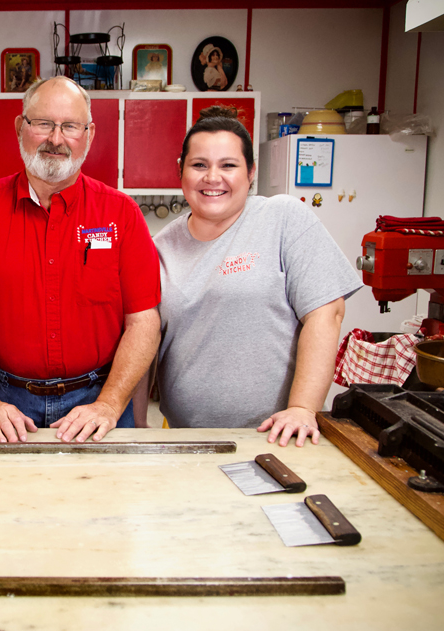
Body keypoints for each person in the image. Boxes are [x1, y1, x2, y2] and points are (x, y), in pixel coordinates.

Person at [0, 76, 161, 445]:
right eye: (43, 123)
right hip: (5, 406)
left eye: (70, 126)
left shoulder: (121, 214)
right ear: (20, 127)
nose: (56, 140)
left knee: (105, 502)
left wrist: (109, 404)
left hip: (98, 404)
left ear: (89, 134)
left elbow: (144, 323)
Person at [150, 106, 361, 447]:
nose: (212, 177)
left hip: (283, 435)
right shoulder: (159, 248)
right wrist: (135, 422)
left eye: (228, 165)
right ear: (181, 171)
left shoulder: (283, 218)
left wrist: (302, 408)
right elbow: (145, 340)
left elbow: (326, 314)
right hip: (189, 441)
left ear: (250, 172)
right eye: (199, 165)